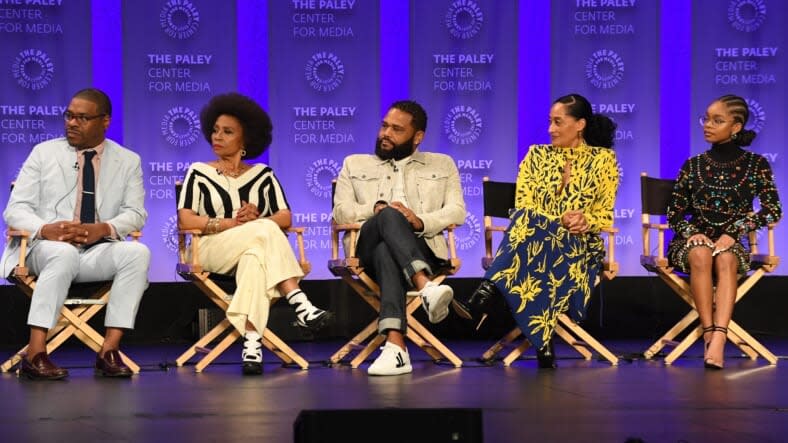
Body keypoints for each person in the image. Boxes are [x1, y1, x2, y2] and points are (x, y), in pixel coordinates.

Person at [454, 93, 619, 369]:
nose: (550, 129)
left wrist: (585, 220)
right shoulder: (536, 155)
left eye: (558, 122)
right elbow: (523, 205)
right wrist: (557, 222)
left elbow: (605, 213)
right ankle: (542, 342)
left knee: (534, 240)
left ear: (580, 125)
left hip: (578, 248)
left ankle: (487, 292)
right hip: (534, 243)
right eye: (549, 122)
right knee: (531, 225)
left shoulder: (604, 160)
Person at [177, 93, 334, 375]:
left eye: (227, 132)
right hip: (210, 249)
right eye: (215, 130)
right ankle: (299, 301)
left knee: (255, 257)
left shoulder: (263, 175)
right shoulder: (198, 172)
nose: (218, 137)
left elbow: (285, 216)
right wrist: (230, 224)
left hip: (253, 248)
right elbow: (185, 218)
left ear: (245, 140)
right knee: (263, 230)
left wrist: (257, 219)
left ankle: (252, 344)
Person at [2, 88, 150, 379]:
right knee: (63, 253)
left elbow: (136, 213)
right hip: (44, 250)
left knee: (137, 253)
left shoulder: (128, 160)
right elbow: (15, 210)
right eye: (69, 116)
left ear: (104, 121)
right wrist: (47, 229)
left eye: (82, 118)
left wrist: (103, 229)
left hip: (95, 250)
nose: (72, 123)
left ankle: (109, 351)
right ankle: (35, 353)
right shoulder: (44, 153)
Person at [333, 100, 466, 376]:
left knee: (387, 251)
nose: (386, 134)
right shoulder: (353, 163)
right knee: (389, 215)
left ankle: (396, 348)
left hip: (422, 246)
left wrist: (420, 221)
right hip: (364, 248)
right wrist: (376, 210)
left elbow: (457, 210)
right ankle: (426, 287)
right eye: (384, 126)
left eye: (396, 129)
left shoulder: (442, 164)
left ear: (417, 137)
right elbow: (341, 211)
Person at [666, 94, 781, 370]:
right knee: (702, 253)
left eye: (717, 120)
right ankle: (710, 333)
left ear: (736, 127)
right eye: (706, 118)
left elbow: (773, 210)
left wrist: (737, 230)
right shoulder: (693, 165)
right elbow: (674, 213)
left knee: (726, 257)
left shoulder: (756, 165)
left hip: (733, 245)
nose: (707, 125)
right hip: (691, 244)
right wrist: (692, 232)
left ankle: (719, 337)